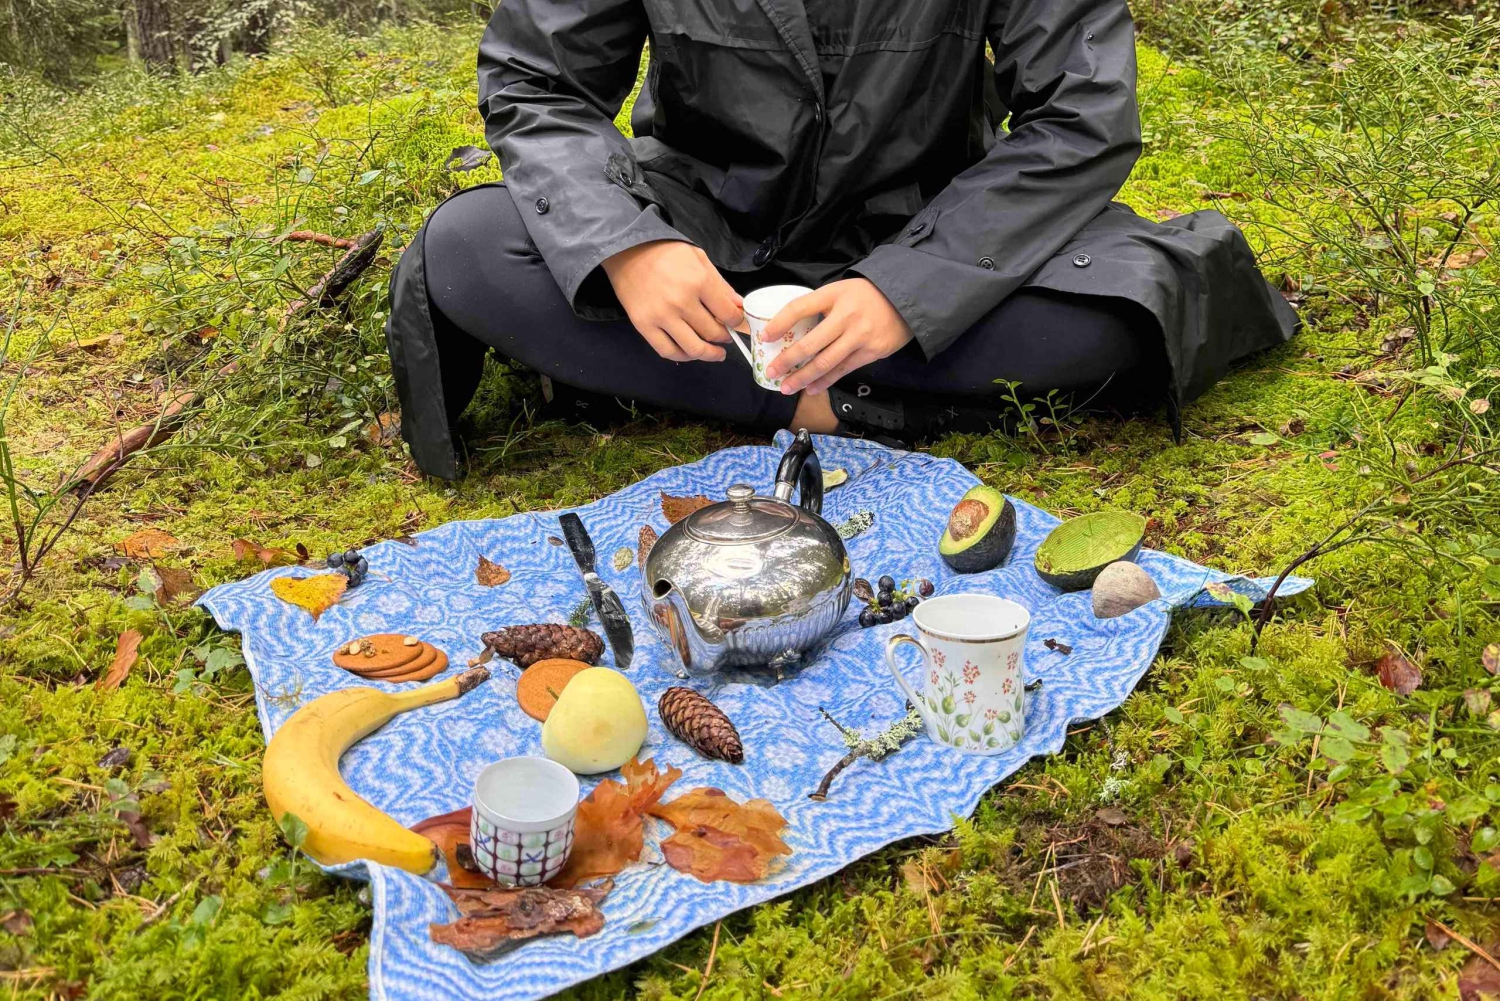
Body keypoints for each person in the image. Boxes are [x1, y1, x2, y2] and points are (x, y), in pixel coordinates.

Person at [385, 0, 1298, 479]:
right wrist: (628, 248)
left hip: (940, 226)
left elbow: (1084, 116)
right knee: (469, 249)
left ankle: (757, 387)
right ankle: (825, 403)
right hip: (705, 232)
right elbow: (537, 82)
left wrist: (909, 288)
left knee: (1130, 311)